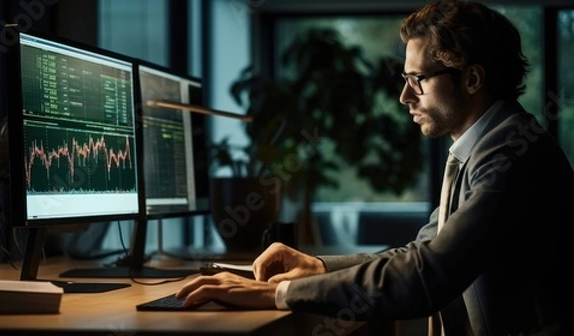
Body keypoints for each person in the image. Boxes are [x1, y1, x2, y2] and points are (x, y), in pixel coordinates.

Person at [176, 0, 574, 334]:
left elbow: (429, 275)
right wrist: (316, 267)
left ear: (472, 79)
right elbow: (422, 252)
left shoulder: (511, 155)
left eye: (418, 79)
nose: (404, 96)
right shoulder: (486, 146)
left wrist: (276, 295)